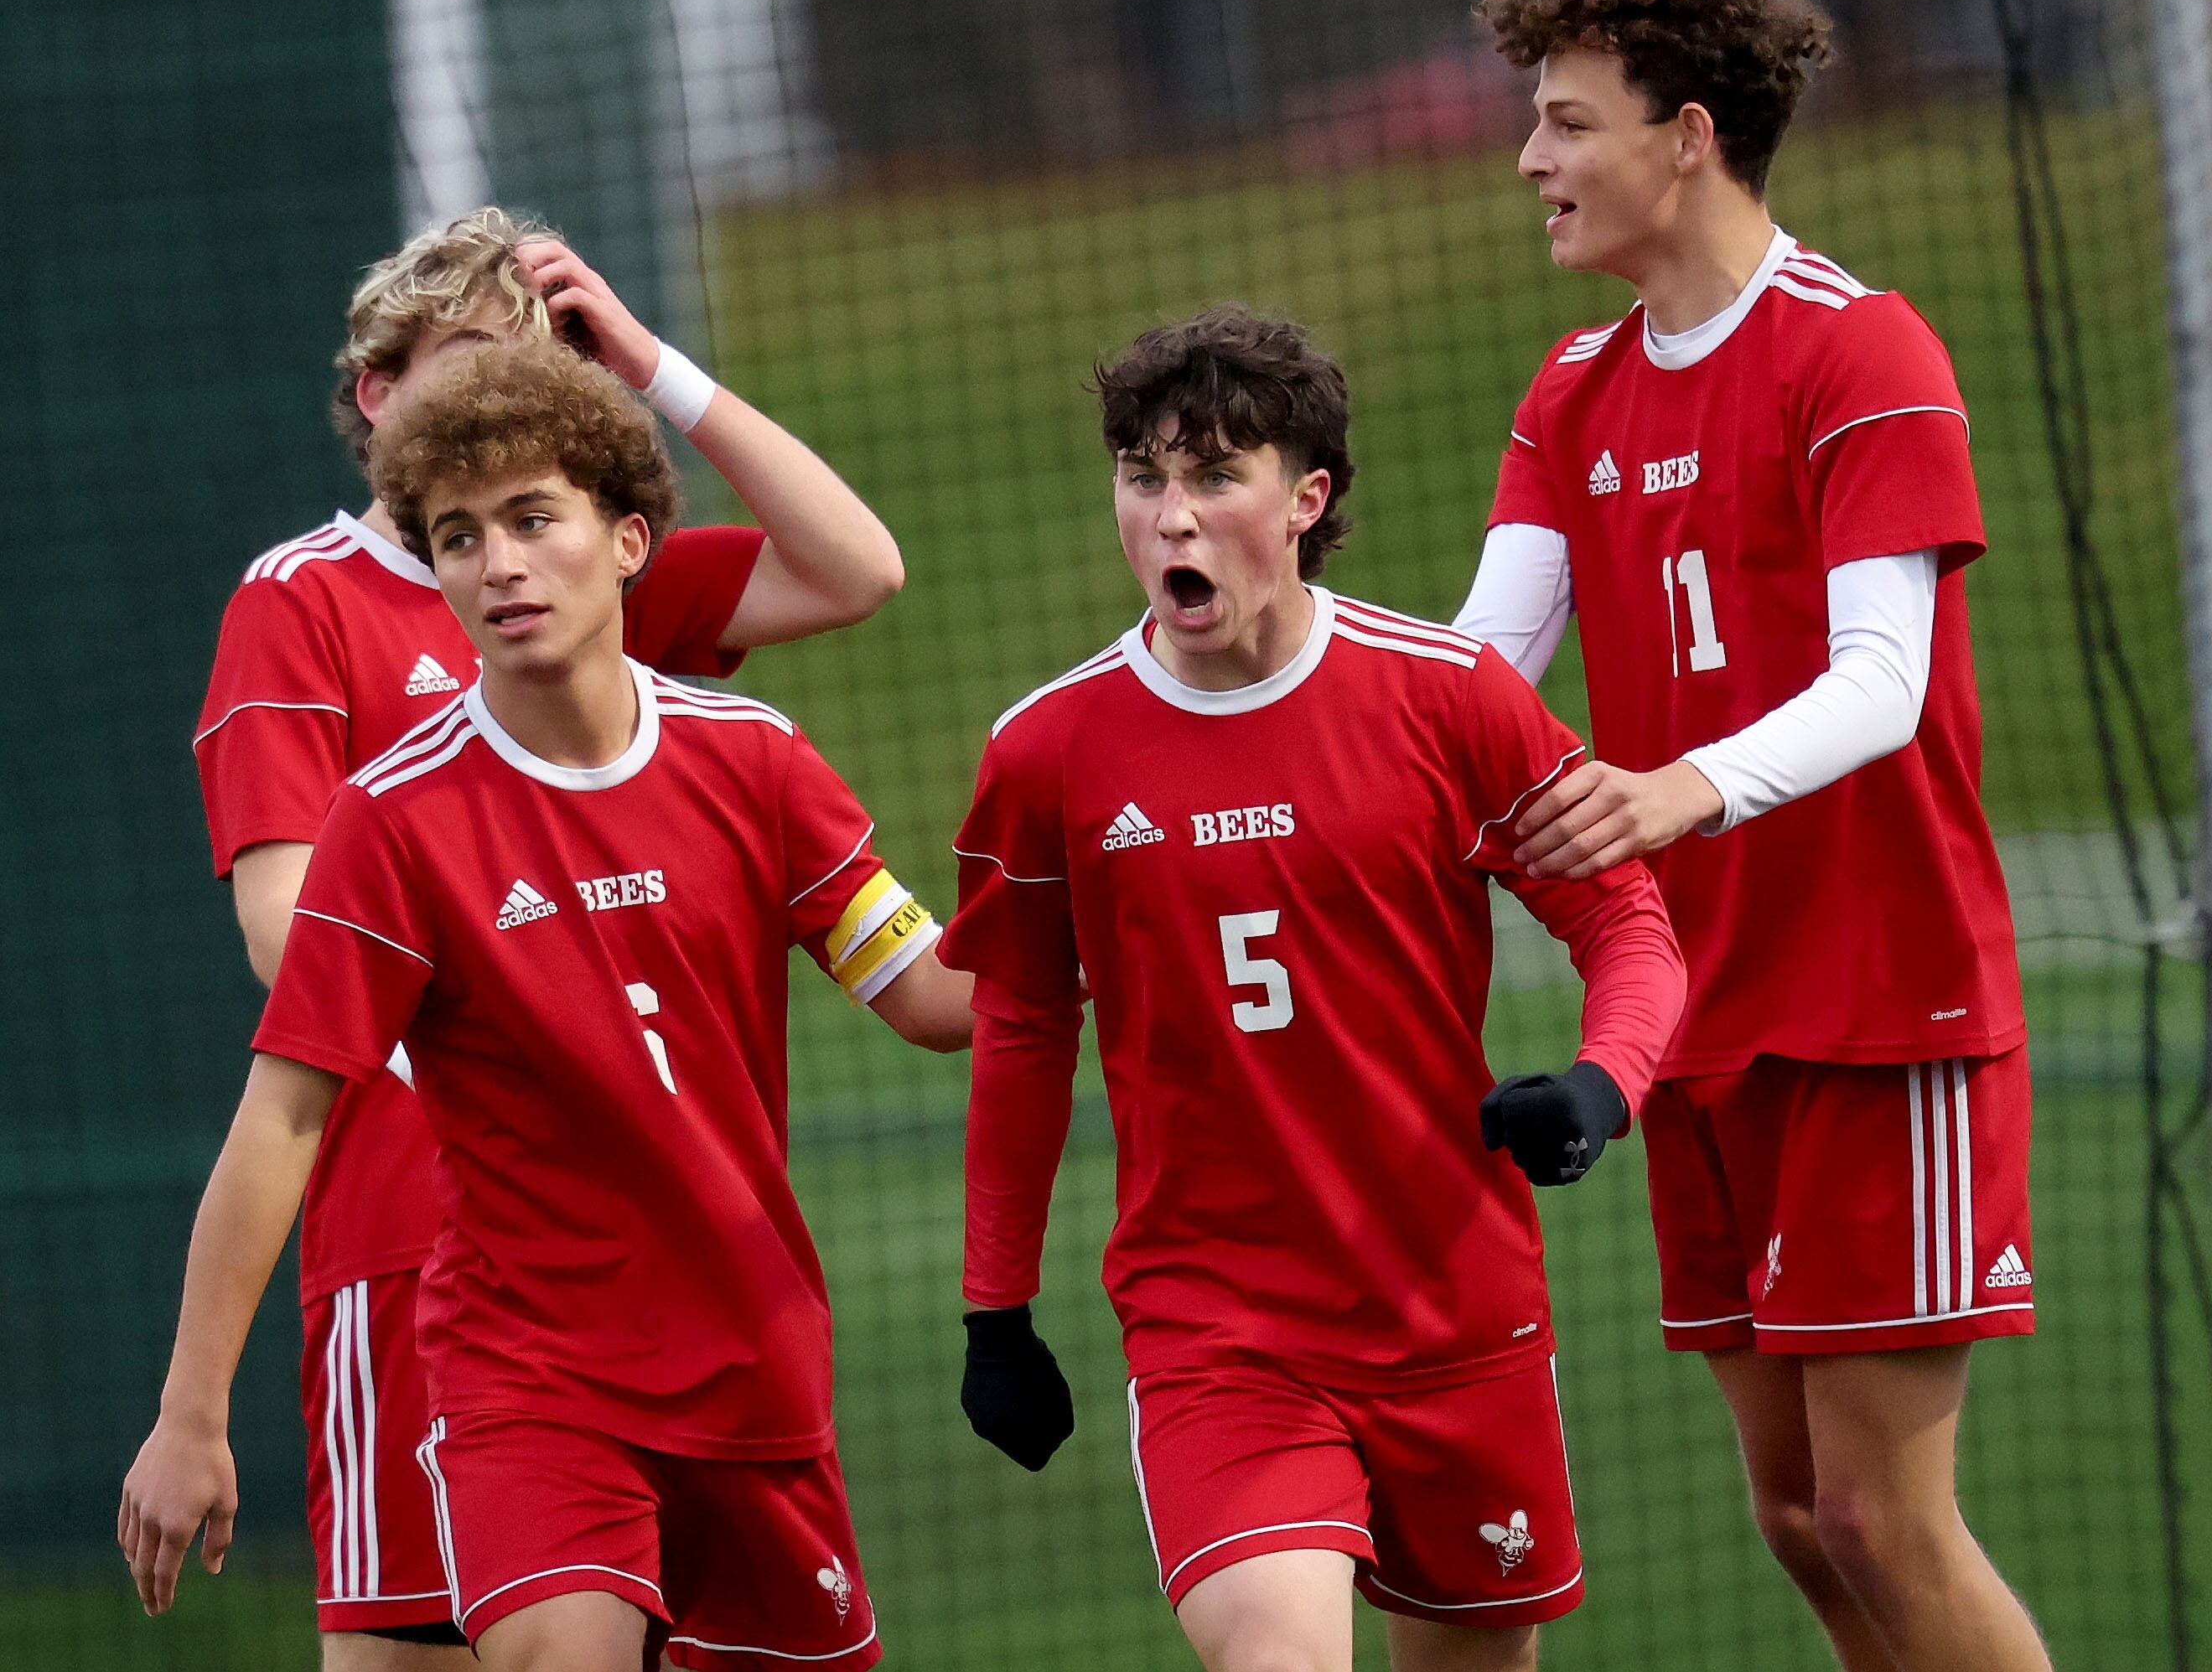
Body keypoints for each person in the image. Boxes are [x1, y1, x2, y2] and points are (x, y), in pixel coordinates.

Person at [122, 336, 972, 1672]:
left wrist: (1104, 905)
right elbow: (282, 1116)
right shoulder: (395, 820)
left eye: (530, 520)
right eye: (457, 536)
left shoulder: (754, 762)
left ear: (629, 540)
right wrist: (190, 1409)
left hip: (753, 1371)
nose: (498, 564)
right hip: (527, 1378)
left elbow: (935, 996)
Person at [1453, 0, 2049, 1671]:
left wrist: (1671, 794)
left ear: (1686, 135)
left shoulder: (1857, 350)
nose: (1528, 159)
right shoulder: (1570, 390)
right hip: (1700, 1019)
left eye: (1566, 121)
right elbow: (1485, 667)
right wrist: (1284, 705)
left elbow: (1881, 679)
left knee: (1882, 1516)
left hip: (1883, 1000)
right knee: (1799, 1524)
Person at [945, 305, 1686, 1672]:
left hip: (1455, 1310)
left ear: (1306, 498)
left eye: (1214, 475)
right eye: (1142, 475)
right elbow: (1022, 1023)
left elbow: (1630, 924)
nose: (1170, 515)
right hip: (1218, 1333)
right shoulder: (1046, 753)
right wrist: (995, 1306)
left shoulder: (1448, 697)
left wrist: (1601, 1083)